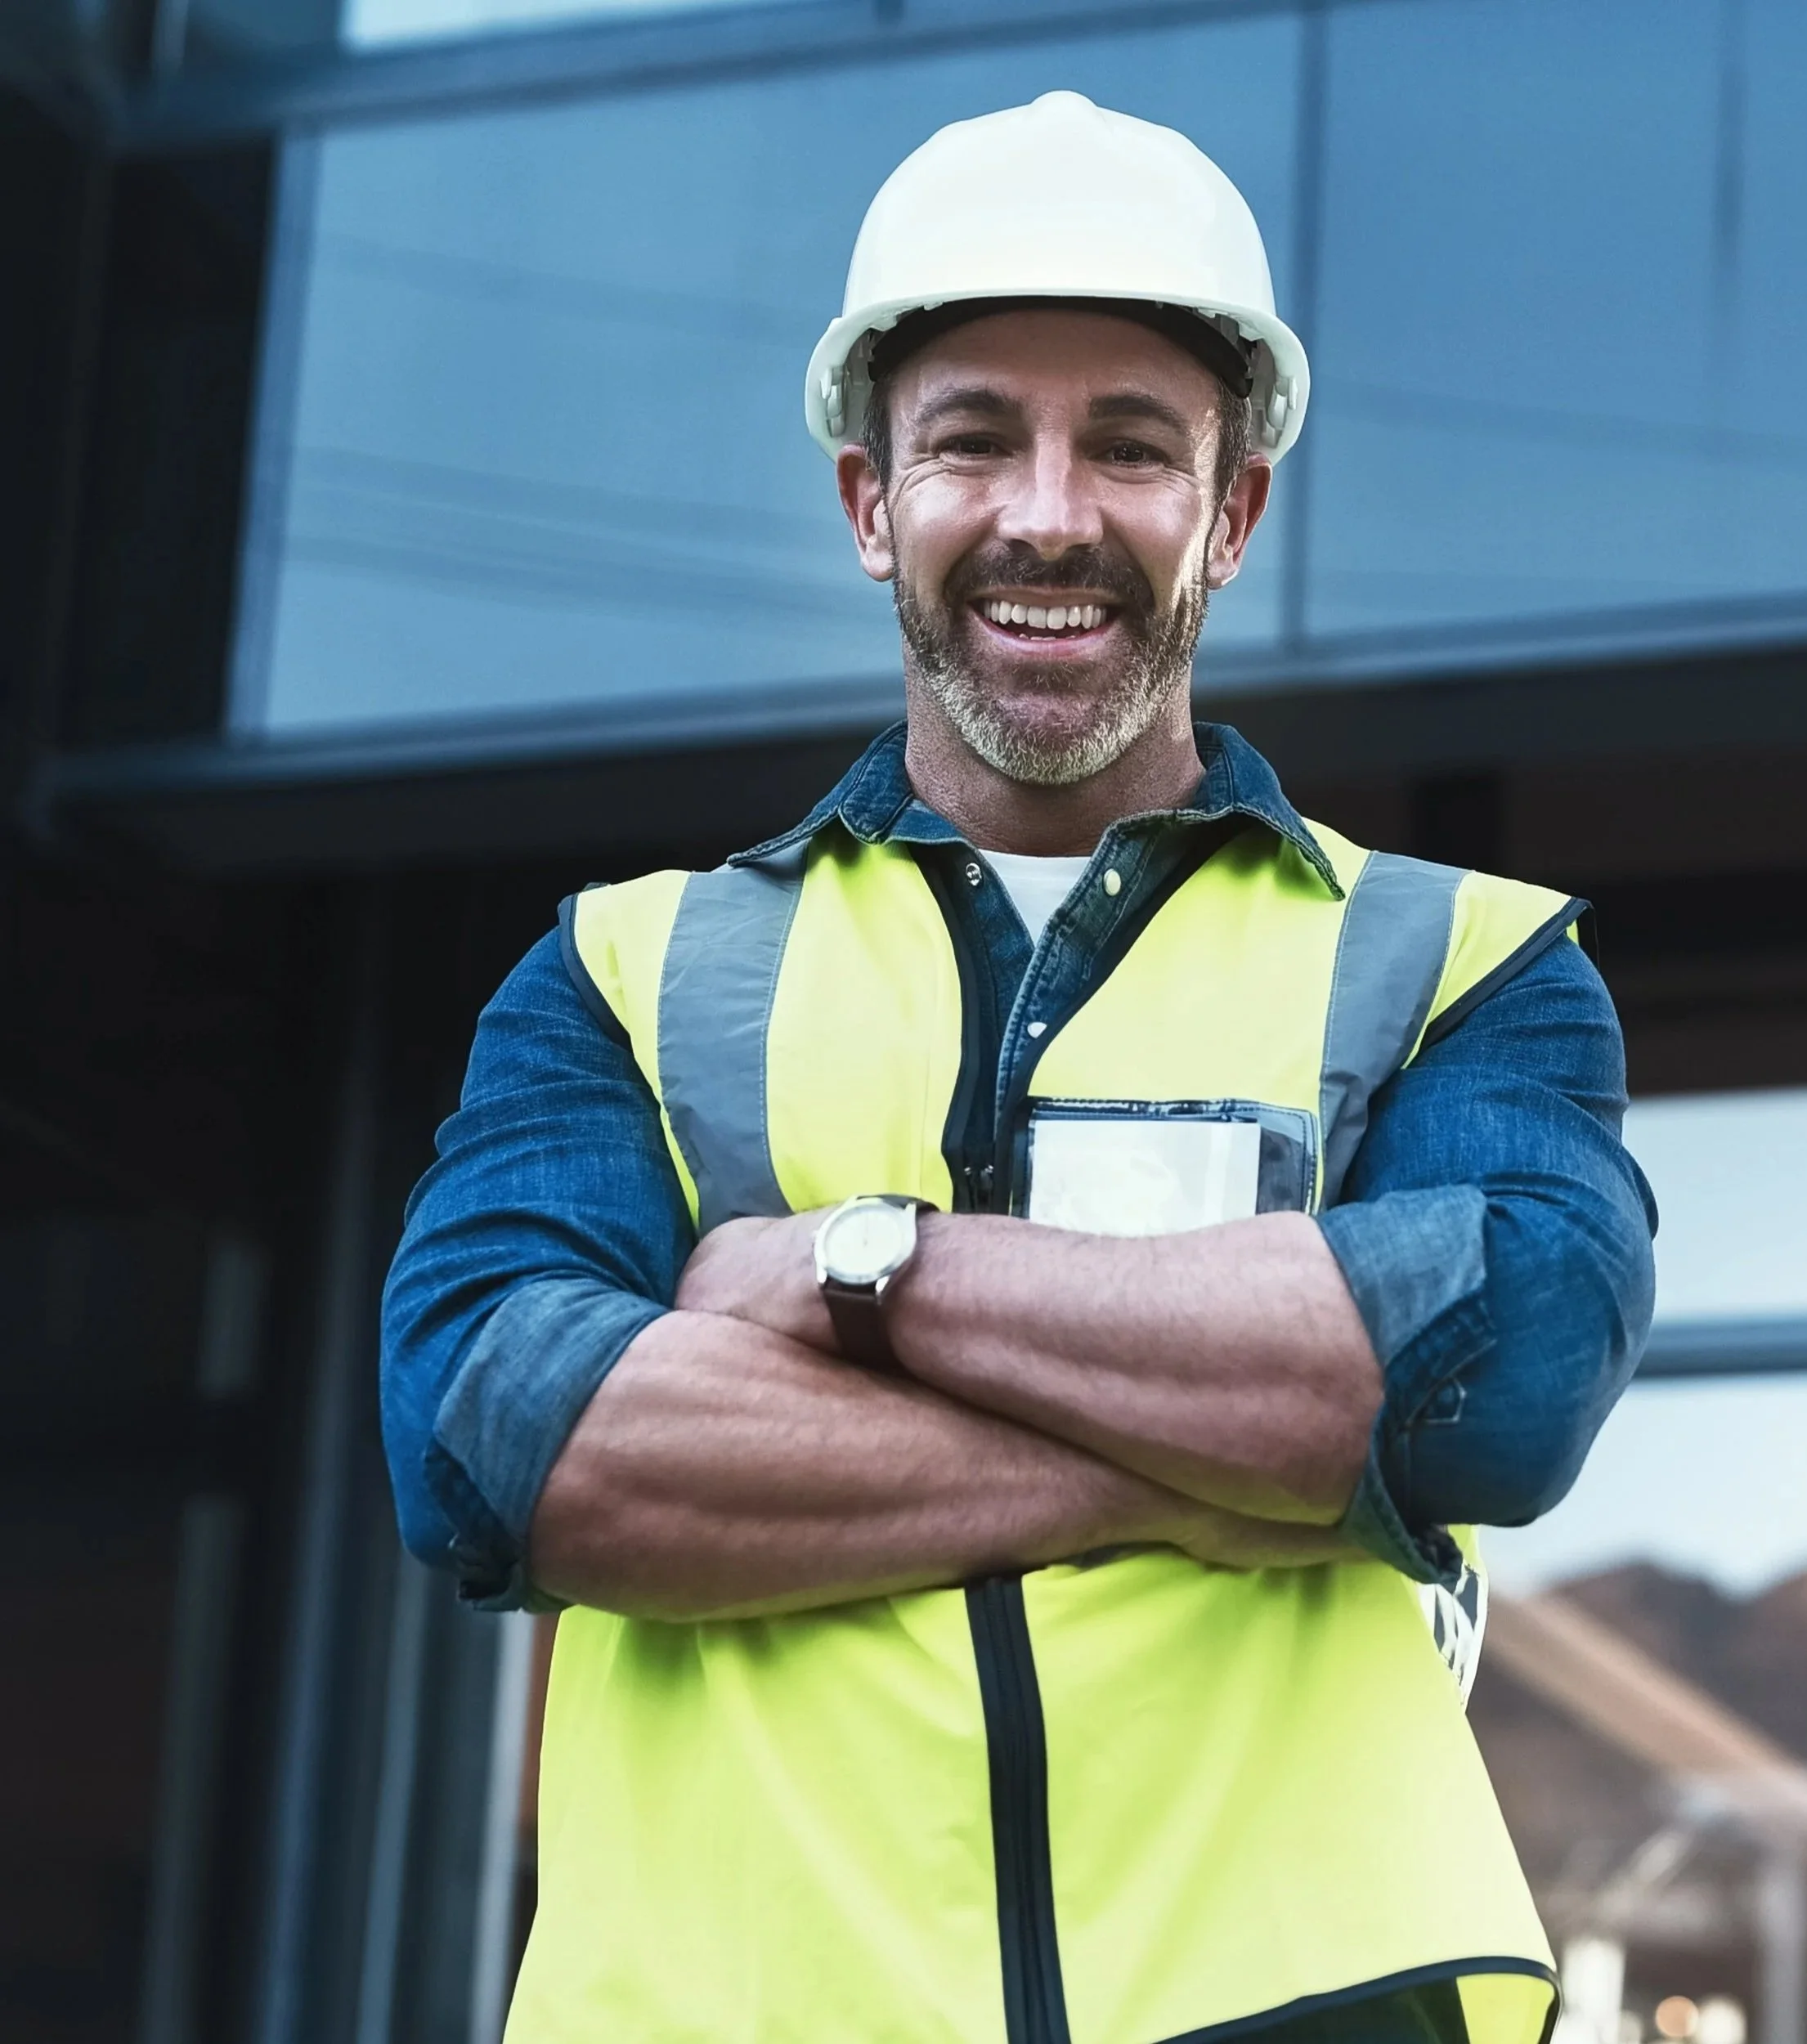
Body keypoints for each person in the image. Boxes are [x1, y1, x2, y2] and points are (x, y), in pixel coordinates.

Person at [382, 91, 1657, 2044]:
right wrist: (1252, 1463)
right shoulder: (623, 971)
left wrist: (845, 1270)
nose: (1047, 513)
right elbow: (496, 1441)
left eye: (1129, 448)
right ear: (867, 497)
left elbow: (1492, 1381)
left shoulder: (1457, 960)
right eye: (974, 436)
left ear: (1225, 512)